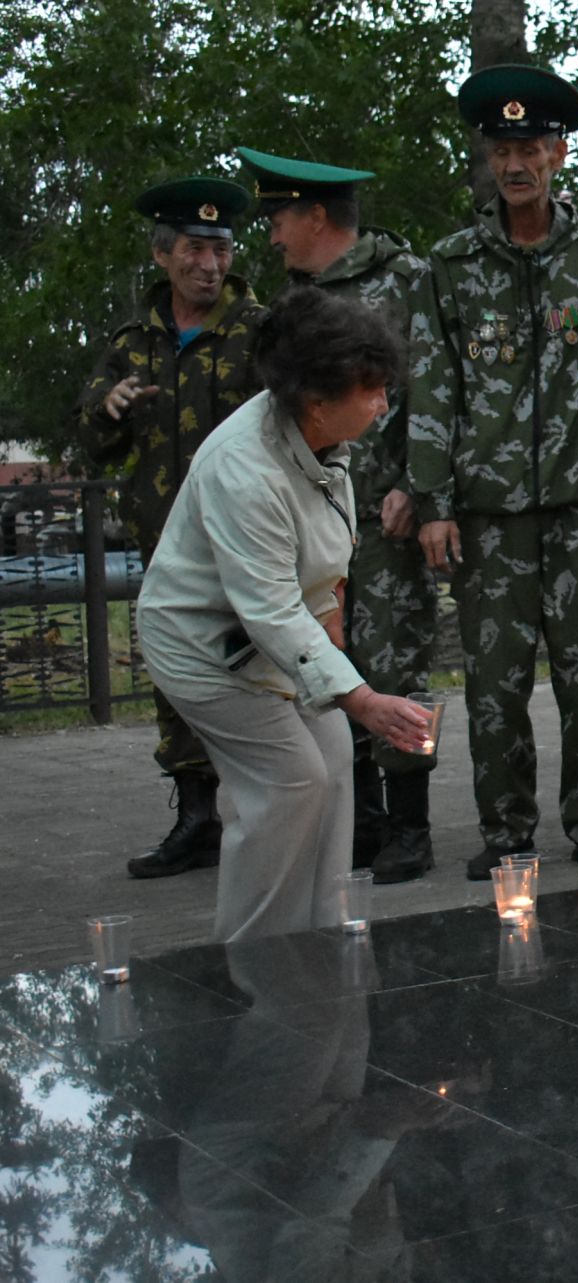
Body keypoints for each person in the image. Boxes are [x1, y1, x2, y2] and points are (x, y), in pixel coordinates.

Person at [135, 286, 430, 941]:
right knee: (290, 781)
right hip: (201, 645)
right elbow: (268, 607)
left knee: (332, 768)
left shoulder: (322, 435)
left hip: (268, 633)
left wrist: (331, 633)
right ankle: (254, 950)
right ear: (317, 398)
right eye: (372, 389)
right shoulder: (247, 471)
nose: (383, 402)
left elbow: (315, 567)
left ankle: (318, 935)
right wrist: (362, 698)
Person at [407, 65, 578, 878]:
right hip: (487, 514)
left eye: (532, 146)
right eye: (503, 148)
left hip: (576, 508)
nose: (517, 163)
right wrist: (432, 500)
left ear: (560, 153)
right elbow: (434, 384)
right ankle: (505, 831)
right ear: (487, 158)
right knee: (493, 688)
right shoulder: (453, 263)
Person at [239, 146, 439, 884]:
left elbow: (434, 390)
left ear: (316, 215)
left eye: (279, 218)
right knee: (329, 659)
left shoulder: (406, 282)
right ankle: (359, 821)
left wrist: (420, 486)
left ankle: (411, 824)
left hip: (385, 519)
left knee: (398, 664)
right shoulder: (294, 303)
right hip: (313, 515)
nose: (271, 236)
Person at [74, 177, 267, 880]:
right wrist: (109, 406)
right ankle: (196, 816)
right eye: (194, 248)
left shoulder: (260, 331)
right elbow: (93, 439)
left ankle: (268, 811)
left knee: (257, 665)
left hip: (248, 539)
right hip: (166, 542)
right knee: (177, 674)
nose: (209, 264)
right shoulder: (134, 343)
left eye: (219, 248)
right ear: (163, 254)